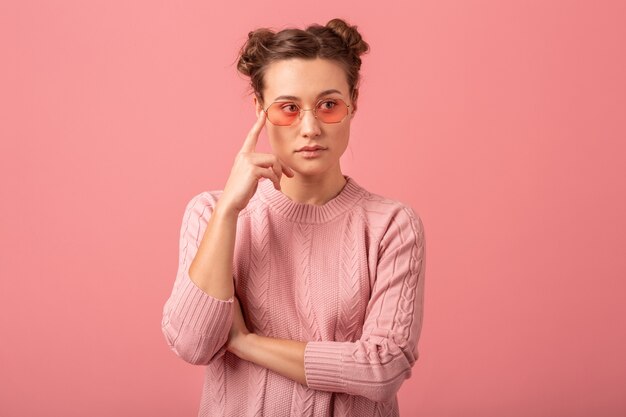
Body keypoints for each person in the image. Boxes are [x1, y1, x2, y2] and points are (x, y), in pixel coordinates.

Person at [161, 17, 426, 417]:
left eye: (328, 105)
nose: (310, 127)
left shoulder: (391, 225)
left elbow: (383, 368)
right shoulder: (211, 214)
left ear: (353, 103)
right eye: (288, 108)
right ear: (259, 110)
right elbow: (193, 345)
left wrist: (245, 342)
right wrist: (230, 211)